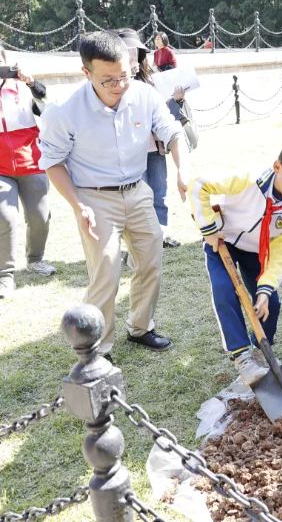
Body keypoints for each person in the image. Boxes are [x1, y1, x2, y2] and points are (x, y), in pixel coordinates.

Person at [37, 31, 189, 358]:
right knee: (106, 273)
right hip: (93, 197)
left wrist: (182, 170)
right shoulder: (63, 110)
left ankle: (141, 327)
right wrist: (79, 206)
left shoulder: (143, 94)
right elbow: (52, 162)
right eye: (109, 80)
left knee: (150, 263)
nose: (120, 85)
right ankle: (100, 347)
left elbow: (172, 132)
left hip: (137, 191)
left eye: (125, 75)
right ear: (86, 72)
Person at [188, 134, 282, 385]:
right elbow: (199, 185)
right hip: (223, 242)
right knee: (224, 291)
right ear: (277, 167)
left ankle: (259, 351)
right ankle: (242, 356)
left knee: (270, 304)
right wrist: (208, 229)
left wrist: (264, 290)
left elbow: (281, 255)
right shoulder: (247, 181)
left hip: (257, 252)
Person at [118, 28, 186, 249]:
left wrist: (177, 99)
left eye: (134, 52)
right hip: (130, 151)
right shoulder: (111, 84)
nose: (131, 56)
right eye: (126, 51)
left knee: (159, 193)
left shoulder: (150, 79)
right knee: (138, 197)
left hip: (155, 146)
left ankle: (162, 234)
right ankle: (141, 241)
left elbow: (165, 114)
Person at [0, 51, 55, 299]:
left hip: (31, 161)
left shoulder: (23, 87)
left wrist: (31, 83)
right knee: (5, 218)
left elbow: (48, 109)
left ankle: (35, 259)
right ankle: (5, 276)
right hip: (1, 169)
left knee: (40, 217)